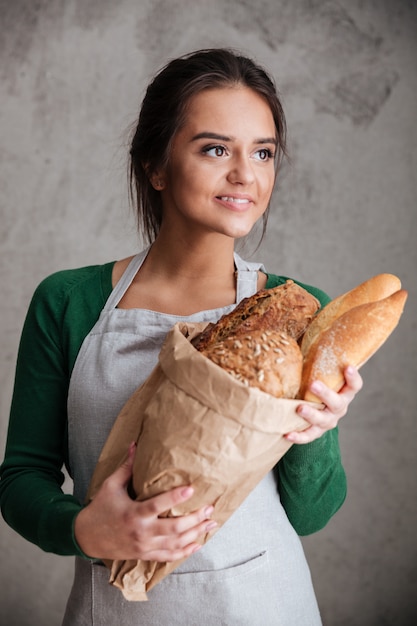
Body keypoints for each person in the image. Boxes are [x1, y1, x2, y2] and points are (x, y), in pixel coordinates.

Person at [0, 48, 363, 625]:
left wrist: (315, 429)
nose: (245, 173)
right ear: (156, 165)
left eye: (263, 152)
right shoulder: (69, 302)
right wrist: (83, 528)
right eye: (215, 148)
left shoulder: (299, 308)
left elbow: (312, 513)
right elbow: (21, 478)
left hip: (267, 607)